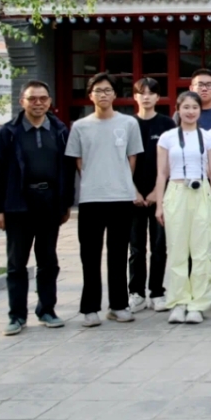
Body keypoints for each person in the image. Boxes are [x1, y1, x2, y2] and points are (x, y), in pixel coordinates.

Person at [0, 81, 75, 335]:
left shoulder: (59, 131)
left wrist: (65, 203)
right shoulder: (8, 132)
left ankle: (47, 310)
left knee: (48, 260)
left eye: (43, 98)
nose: (38, 103)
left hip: (49, 203)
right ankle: (16, 315)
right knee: (17, 263)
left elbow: (67, 170)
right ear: (22, 102)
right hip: (18, 205)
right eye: (32, 99)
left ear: (50, 102)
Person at [65, 72, 145, 327]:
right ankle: (90, 308)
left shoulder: (129, 123)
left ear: (115, 95)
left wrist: (120, 181)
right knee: (89, 255)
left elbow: (132, 158)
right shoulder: (80, 126)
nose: (103, 94)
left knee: (118, 254)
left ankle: (118, 305)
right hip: (91, 198)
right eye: (98, 90)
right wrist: (95, 180)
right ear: (90, 95)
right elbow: (79, 162)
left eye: (108, 90)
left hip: (121, 198)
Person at [152, 92, 211, 324]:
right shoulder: (167, 137)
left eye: (195, 107)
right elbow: (162, 174)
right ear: (178, 109)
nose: (190, 112)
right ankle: (179, 301)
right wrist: (159, 205)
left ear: (200, 110)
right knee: (177, 250)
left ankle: (198, 304)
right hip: (176, 191)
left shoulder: (208, 137)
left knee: (202, 250)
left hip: (201, 191)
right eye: (186, 107)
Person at [129, 78, 175, 315]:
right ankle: (136, 293)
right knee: (136, 248)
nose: (146, 97)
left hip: (161, 195)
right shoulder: (128, 124)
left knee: (159, 247)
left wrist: (159, 191)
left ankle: (157, 292)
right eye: (141, 93)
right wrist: (133, 190)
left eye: (151, 93)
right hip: (133, 196)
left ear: (158, 97)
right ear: (135, 96)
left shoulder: (167, 124)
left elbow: (172, 161)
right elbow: (122, 160)